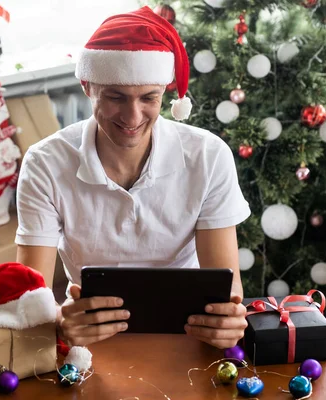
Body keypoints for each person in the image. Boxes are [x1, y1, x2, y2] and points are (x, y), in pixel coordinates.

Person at [15, 6, 251, 350]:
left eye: (148, 98)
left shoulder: (208, 156)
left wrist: (228, 322)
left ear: (165, 94)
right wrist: (59, 320)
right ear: (88, 87)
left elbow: (230, 293)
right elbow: (30, 296)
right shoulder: (44, 164)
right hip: (88, 337)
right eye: (115, 97)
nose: (132, 116)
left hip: (187, 336)